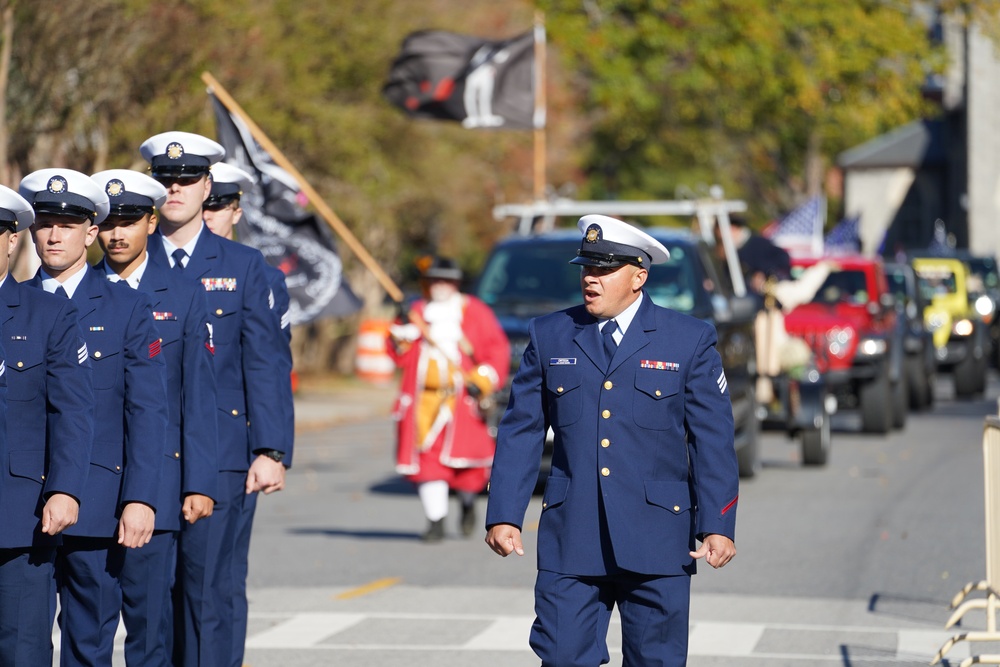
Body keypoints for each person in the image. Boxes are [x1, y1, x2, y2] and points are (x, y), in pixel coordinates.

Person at [485, 215, 739, 666]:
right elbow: (521, 428)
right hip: (572, 535)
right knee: (562, 656)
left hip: (659, 536)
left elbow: (711, 438)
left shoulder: (689, 339)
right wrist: (504, 513)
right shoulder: (549, 335)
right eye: (586, 268)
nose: (591, 279)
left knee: (655, 660)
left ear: (639, 276)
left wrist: (717, 523)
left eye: (604, 270)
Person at [138, 131, 290, 667]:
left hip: (224, 454)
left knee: (208, 591)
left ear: (207, 187)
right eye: (165, 180)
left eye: (186, 180)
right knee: (150, 599)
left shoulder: (244, 265)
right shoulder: (133, 261)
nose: (174, 188)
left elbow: (265, 361)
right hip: (145, 456)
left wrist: (270, 450)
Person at [20, 168, 169, 667]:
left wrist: (142, 497)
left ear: (91, 232)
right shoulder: (10, 305)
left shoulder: (129, 308)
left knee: (89, 644)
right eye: (45, 221)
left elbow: (147, 411)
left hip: (100, 506)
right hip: (21, 510)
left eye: (68, 223)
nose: (54, 234)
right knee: (20, 644)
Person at [90, 168, 219, 667]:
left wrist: (199, 482)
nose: (116, 234)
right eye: (107, 223)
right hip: (89, 482)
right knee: (88, 626)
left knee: (150, 629)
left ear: (150, 221)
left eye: (128, 221)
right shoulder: (71, 294)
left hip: (161, 482)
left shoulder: (184, 293)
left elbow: (197, 397)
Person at [0, 185, 91, 667]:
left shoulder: (48, 313)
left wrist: (65, 489)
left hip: (19, 516)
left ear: (12, 240)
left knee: (22, 651)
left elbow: (73, 411)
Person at [388, 256, 510, 541]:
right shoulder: (417, 311)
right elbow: (399, 354)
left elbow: (497, 351)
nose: (439, 285)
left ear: (456, 283)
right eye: (434, 280)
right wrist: (401, 326)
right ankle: (436, 521)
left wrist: (482, 381)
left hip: (463, 402)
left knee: (467, 464)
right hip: (424, 402)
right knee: (428, 462)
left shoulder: (475, 312)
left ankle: (467, 504)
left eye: (446, 280)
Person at [716, 214, 791, 295]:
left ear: (733, 228)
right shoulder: (733, 250)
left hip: (769, 291)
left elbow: (782, 259)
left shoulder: (758, 242)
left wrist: (763, 272)